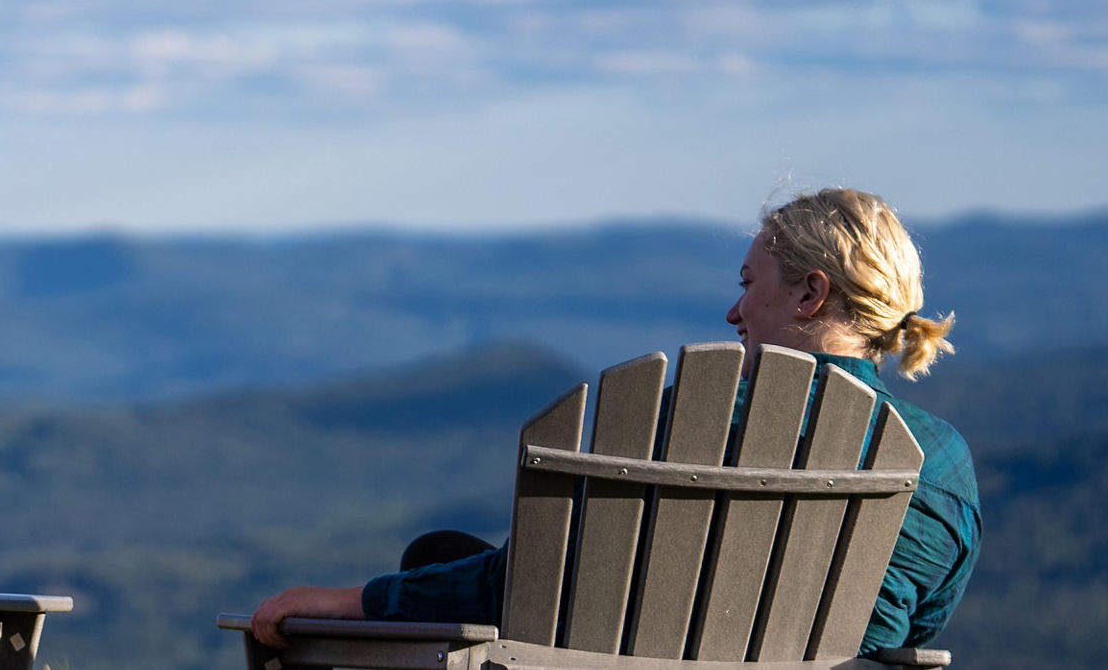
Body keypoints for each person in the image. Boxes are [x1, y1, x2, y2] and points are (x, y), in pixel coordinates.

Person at [246, 187, 977, 654]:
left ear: (810, 295)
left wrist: (352, 602)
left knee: (435, 554)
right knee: (442, 548)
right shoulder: (939, 463)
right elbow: (921, 627)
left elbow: (540, 582)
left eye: (749, 285)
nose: (733, 312)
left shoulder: (689, 422)